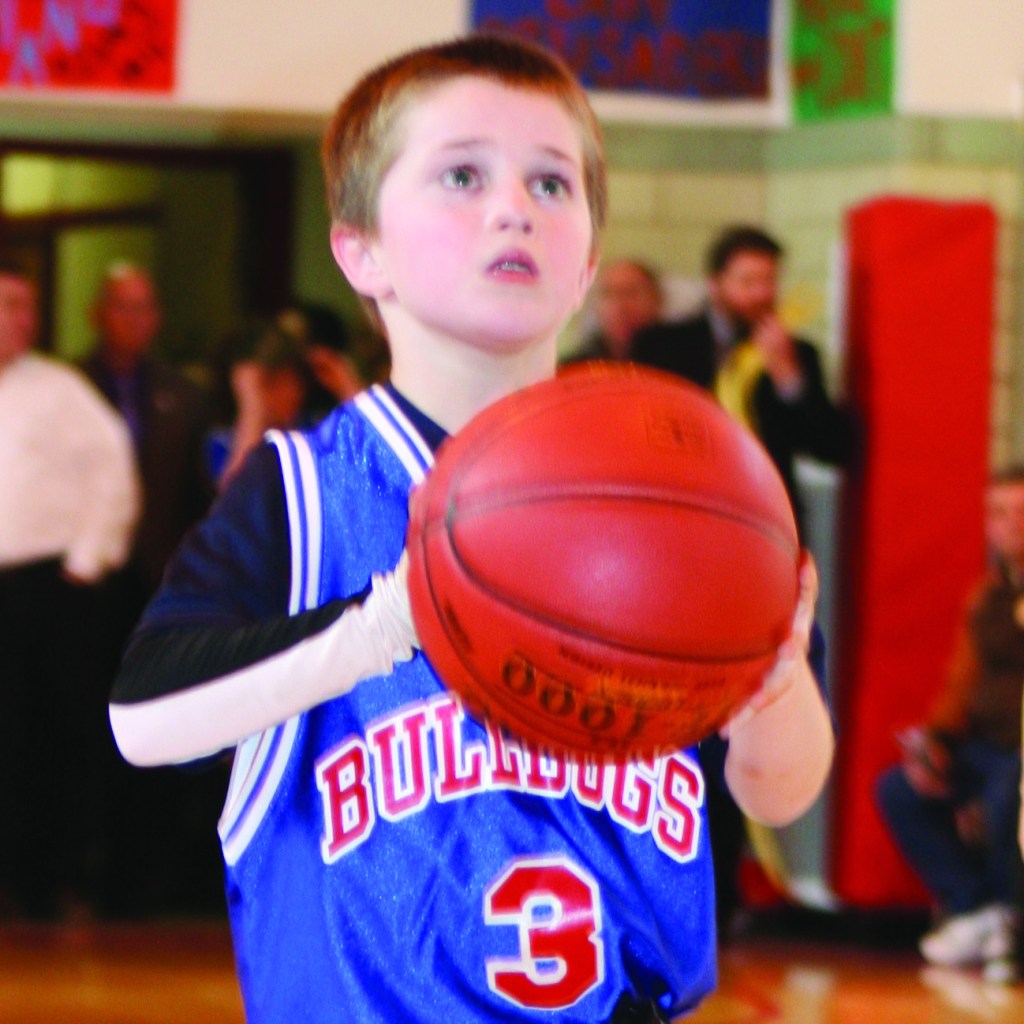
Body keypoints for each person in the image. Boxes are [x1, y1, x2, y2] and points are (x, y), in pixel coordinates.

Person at [108, 35, 834, 1023]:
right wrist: (388, 623)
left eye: (551, 183)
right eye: (461, 174)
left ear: (586, 261)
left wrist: (771, 682)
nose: (512, 207)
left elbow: (780, 795)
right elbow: (143, 726)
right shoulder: (301, 488)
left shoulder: (681, 486)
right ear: (358, 247)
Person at [0, 257, 139, 919]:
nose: (16, 320)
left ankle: (53, 880)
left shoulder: (60, 389)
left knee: (53, 735)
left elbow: (114, 472)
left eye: (24, 306)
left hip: (45, 588)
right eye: (4, 305)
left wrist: (85, 564)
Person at [82, 260, 220, 917]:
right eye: (121, 307)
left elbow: (202, 496)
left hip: (159, 590)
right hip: (83, 590)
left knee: (156, 728)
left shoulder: (184, 395)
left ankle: (146, 878)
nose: (133, 320)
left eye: (144, 308)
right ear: (97, 314)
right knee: (83, 730)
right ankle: (82, 869)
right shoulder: (70, 386)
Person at [877, 467, 1024, 982]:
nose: (1012, 525)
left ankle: (1013, 915)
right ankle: (974, 908)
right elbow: (961, 683)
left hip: (1019, 756)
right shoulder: (985, 599)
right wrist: (935, 744)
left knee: (1012, 792)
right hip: (984, 746)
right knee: (899, 790)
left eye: (1021, 513)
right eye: (1001, 513)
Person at [631, 225, 854, 533]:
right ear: (714, 285)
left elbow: (831, 447)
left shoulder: (797, 353)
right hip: (683, 512)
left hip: (766, 519)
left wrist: (789, 380)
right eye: (747, 281)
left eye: (769, 281)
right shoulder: (662, 344)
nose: (761, 293)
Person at [566, 257, 663, 362]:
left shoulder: (678, 360)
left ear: (656, 300)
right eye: (608, 294)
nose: (620, 305)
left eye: (630, 292)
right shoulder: (576, 367)